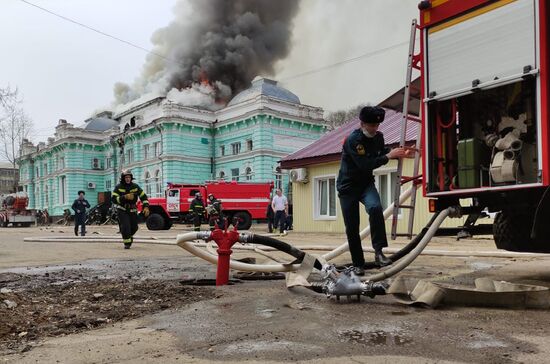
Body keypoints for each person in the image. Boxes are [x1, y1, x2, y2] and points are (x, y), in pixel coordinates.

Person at [337, 106, 412, 275]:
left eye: (377, 125)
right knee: (352, 227)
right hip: (347, 187)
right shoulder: (353, 140)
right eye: (371, 125)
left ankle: (379, 252)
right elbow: (365, 164)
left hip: (365, 184)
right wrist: (388, 157)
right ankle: (358, 264)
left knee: (375, 208)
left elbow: (380, 151)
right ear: (362, 124)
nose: (374, 128)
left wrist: (398, 152)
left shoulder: (379, 137)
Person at [111, 170, 150, 249]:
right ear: (123, 178)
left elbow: (143, 197)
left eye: (129, 177)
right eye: (126, 177)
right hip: (122, 210)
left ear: (131, 178)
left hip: (133, 210)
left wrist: (146, 206)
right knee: (125, 226)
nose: (128, 179)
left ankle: (128, 236)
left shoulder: (135, 186)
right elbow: (114, 199)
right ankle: (127, 243)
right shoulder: (119, 187)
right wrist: (124, 197)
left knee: (134, 227)